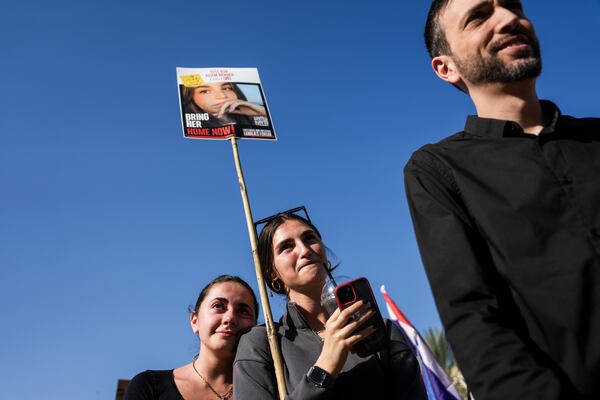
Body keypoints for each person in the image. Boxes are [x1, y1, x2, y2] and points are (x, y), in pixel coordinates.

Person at [404, 1, 600, 399]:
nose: (510, 19)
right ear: (446, 67)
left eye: (513, 7)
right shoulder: (438, 170)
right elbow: (476, 322)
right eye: (478, 17)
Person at [233, 211, 426, 399]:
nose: (304, 250)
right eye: (287, 247)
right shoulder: (262, 342)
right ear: (271, 272)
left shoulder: (381, 328)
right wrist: (324, 367)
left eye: (309, 238)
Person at [125, 275, 259, 400]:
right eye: (218, 306)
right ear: (195, 321)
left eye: (243, 311)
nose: (230, 318)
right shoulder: (149, 387)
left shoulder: (272, 389)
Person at [181, 82, 267, 128]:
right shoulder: (191, 127)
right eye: (205, 91)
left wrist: (262, 112)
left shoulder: (258, 118)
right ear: (190, 97)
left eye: (227, 88)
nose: (222, 96)